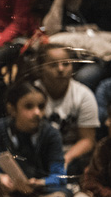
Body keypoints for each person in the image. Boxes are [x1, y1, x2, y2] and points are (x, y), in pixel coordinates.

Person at [34, 44, 99, 178]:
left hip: (71, 155)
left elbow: (87, 140)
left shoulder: (84, 95)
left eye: (66, 64)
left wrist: (65, 159)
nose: (60, 69)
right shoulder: (31, 93)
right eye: (53, 65)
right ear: (40, 69)